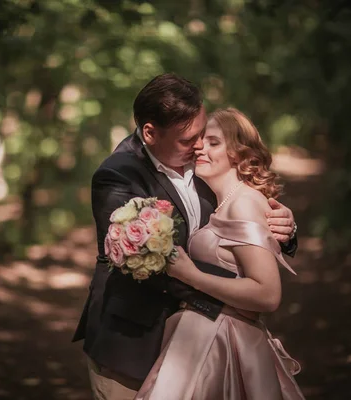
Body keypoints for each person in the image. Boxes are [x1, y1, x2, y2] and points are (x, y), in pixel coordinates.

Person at [72, 73, 298, 400]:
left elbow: (240, 215)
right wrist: (244, 296)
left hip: (201, 345)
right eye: (187, 139)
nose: (199, 145)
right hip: (133, 344)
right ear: (150, 133)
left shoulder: (206, 165)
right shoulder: (117, 177)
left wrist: (284, 229)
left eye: (203, 134)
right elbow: (145, 263)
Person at [134, 107, 304, 399]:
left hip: (224, 342)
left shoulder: (243, 203)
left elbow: (267, 294)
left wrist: (192, 276)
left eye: (213, 142)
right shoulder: (222, 200)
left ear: (237, 153)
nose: (200, 147)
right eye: (200, 140)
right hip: (203, 334)